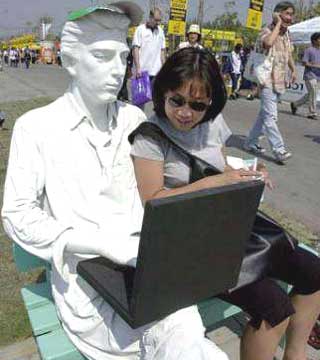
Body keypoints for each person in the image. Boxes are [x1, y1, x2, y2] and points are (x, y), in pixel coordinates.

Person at [2, 4, 228, 360]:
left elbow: (156, 189)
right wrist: (98, 242)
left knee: (197, 349)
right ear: (70, 60)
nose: (115, 71)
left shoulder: (132, 118)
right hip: (88, 285)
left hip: (151, 271)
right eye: (101, 56)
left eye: (122, 57)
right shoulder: (37, 128)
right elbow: (16, 215)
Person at [129, 47, 320, 360]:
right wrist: (214, 183)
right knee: (274, 308)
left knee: (314, 271)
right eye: (176, 100)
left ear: (211, 103)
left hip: (227, 230)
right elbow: (153, 202)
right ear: (162, 91)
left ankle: (295, 354)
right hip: (186, 248)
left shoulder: (212, 124)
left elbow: (220, 168)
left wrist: (244, 175)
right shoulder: (149, 138)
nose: (185, 113)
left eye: (198, 105)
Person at [243, 1, 297, 164]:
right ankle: (279, 149)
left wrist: (293, 70)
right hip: (266, 80)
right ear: (277, 14)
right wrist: (278, 23)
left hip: (279, 81)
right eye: (287, 14)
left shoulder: (286, 34)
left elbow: (288, 54)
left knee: (264, 115)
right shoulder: (266, 31)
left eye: (291, 14)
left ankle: (250, 142)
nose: (290, 18)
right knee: (271, 116)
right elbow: (268, 43)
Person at [290, 32, 320, 120]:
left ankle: (295, 104)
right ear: (314, 40)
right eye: (319, 38)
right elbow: (304, 62)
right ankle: (312, 112)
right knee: (313, 93)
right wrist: (316, 65)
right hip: (310, 75)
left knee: (311, 94)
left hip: (318, 76)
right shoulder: (309, 50)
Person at [132, 7, 166, 81]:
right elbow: (135, 49)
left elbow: (162, 51)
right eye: (156, 20)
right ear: (150, 17)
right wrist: (138, 67)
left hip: (157, 72)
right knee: (141, 93)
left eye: (159, 20)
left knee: (155, 93)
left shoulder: (161, 31)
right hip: (142, 71)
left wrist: (164, 68)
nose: (158, 23)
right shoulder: (140, 29)